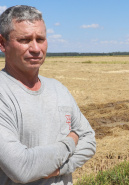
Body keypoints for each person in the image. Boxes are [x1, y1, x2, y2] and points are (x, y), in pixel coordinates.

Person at [0, 5, 96, 185]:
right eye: (25, 39)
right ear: (2, 43)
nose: (35, 48)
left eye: (41, 39)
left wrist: (60, 169)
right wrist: (71, 140)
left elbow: (89, 140)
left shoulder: (58, 89)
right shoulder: (3, 93)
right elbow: (22, 168)